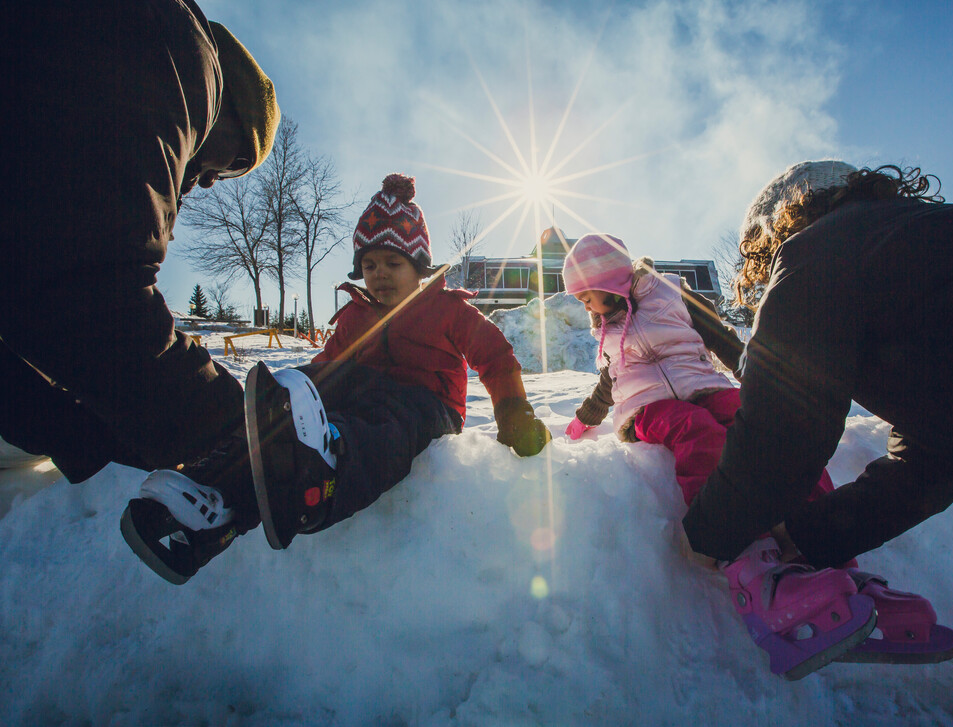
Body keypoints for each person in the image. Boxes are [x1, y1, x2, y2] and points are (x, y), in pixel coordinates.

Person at [681, 161, 953, 721]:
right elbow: (928, 468)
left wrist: (710, 534)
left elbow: (786, 426)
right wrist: (798, 535)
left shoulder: (819, 253)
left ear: (778, 230)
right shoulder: (944, 269)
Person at [561, 233, 953, 679]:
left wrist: (758, 381)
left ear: (610, 280)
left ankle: (838, 565)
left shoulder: (668, 291)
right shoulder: (607, 334)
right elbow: (607, 386)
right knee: (701, 435)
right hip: (649, 410)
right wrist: (580, 423)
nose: (588, 309)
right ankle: (751, 567)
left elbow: (720, 335)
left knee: (778, 436)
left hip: (706, 387)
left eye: (588, 297)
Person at [122, 174, 551, 582]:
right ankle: (213, 503)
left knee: (386, 429)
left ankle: (328, 468)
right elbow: (327, 367)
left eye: (392, 262)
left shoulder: (447, 308)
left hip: (426, 408)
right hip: (362, 396)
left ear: (419, 267)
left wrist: (513, 415)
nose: (378, 273)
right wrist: (298, 396)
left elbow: (495, 356)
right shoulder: (355, 317)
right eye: (368, 264)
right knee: (326, 381)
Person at [0, 3, 279, 504]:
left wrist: (75, 433)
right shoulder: (177, 59)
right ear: (232, 116)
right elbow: (92, 293)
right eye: (235, 164)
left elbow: (41, 282)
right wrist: (245, 437)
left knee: (26, 461)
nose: (213, 179)